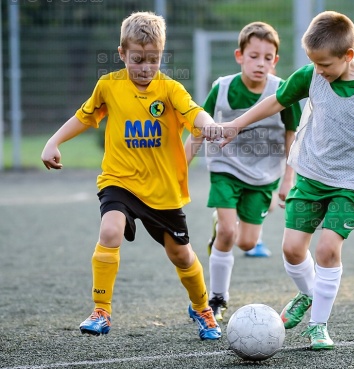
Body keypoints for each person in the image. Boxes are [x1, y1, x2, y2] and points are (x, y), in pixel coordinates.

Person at [219, 11, 354, 350]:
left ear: (347, 56)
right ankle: (307, 293)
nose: (319, 71)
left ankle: (318, 325)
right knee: (291, 249)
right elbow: (276, 101)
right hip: (311, 177)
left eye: (325, 65)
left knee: (328, 249)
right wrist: (236, 124)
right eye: (314, 64)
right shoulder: (311, 74)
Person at [40, 11, 223, 340]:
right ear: (122, 53)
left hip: (163, 191)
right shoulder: (108, 86)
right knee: (109, 230)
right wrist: (53, 141)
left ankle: (202, 308)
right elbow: (84, 117)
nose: (145, 68)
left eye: (153, 60)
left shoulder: (170, 89)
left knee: (181, 255)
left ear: (161, 56)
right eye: (137, 59)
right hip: (119, 181)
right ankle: (101, 311)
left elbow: (194, 112)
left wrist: (209, 126)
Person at [184, 22, 301, 321]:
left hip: (263, 177)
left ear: (275, 61)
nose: (260, 63)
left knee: (247, 242)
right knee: (227, 231)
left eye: (267, 57)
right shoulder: (222, 87)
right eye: (253, 56)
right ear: (240, 56)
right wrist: (179, 170)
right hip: (225, 167)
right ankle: (218, 298)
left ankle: (223, 229)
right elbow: (198, 129)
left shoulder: (282, 92)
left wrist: (288, 180)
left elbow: (292, 136)